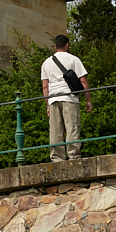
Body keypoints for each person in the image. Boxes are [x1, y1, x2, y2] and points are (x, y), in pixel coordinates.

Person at [40, 33, 88, 161]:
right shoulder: (73, 59)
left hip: (53, 99)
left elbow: (45, 86)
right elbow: (83, 80)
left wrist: (47, 104)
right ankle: (74, 155)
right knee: (72, 127)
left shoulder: (46, 63)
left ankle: (57, 158)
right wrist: (88, 100)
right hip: (69, 98)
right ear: (67, 45)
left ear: (55, 46)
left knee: (55, 130)